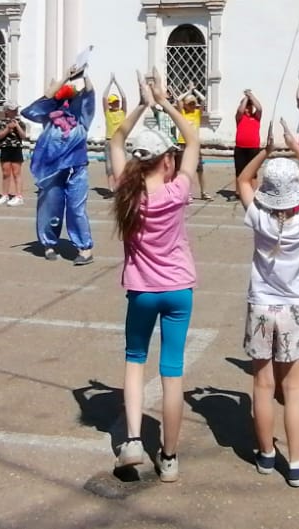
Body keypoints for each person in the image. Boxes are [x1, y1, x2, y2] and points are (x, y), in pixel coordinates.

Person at [106, 73, 200, 483]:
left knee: (134, 361)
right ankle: (170, 456)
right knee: (172, 371)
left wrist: (143, 105)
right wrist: (165, 103)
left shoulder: (127, 193)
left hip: (142, 290)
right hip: (179, 289)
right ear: (167, 160)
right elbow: (193, 140)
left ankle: (132, 440)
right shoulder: (177, 190)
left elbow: (114, 141)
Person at [237, 121, 299, 487]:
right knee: (292, 389)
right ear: (296, 194)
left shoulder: (259, 217)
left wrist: (266, 151)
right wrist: (296, 146)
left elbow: (243, 181)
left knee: (261, 384)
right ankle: (296, 461)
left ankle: (265, 453)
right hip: (292, 307)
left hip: (261, 304)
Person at [24, 68, 97, 264]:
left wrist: (84, 75)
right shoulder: (49, 119)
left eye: (70, 101)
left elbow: (90, 95)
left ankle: (84, 249)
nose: (67, 104)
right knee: (49, 207)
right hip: (51, 171)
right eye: (62, 101)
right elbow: (34, 107)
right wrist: (64, 77)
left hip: (77, 169)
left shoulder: (82, 120)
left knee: (76, 208)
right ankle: (49, 244)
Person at [177, 90, 210, 200]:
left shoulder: (196, 114)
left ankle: (203, 192)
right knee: (185, 170)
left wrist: (194, 90)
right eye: (190, 103)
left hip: (195, 145)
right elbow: (178, 100)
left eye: (193, 103)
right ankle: (187, 193)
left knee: (200, 170)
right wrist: (188, 91)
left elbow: (204, 100)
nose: (192, 105)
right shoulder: (182, 114)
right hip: (183, 143)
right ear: (185, 105)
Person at [0, 106, 27, 206]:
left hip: (16, 149)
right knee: (5, 173)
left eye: (16, 110)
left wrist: (17, 126)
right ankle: (5, 194)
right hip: (5, 148)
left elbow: (23, 136)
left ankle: (19, 196)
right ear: (6, 111)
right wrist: (8, 128)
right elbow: (0, 136)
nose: (15, 112)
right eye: (12, 110)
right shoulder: (1, 123)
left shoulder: (20, 123)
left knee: (17, 172)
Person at [234, 90, 264, 190]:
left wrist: (251, 96)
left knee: (253, 172)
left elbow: (259, 108)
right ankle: (238, 192)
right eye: (247, 106)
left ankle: (254, 191)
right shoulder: (240, 117)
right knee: (239, 171)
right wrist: (246, 99)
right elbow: (240, 111)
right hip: (240, 148)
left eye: (250, 106)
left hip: (253, 148)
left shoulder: (256, 117)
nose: (248, 107)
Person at [104, 74, 128, 187]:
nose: (116, 104)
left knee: (121, 164)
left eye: (116, 102)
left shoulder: (122, 112)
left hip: (120, 141)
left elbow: (124, 98)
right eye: (114, 102)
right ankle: (111, 188)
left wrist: (117, 83)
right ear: (109, 104)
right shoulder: (108, 113)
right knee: (109, 166)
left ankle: (121, 186)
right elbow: (104, 97)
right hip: (109, 140)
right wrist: (109, 83)